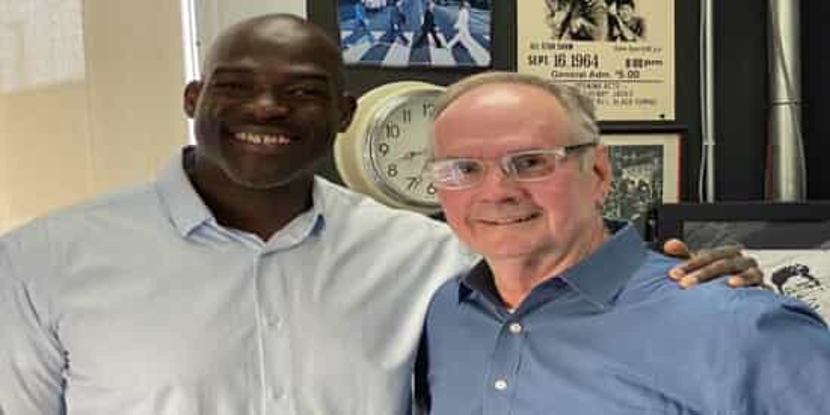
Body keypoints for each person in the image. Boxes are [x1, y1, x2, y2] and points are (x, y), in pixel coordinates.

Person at [0, 14, 760, 415]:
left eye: (301, 91)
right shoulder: (44, 261)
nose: (267, 108)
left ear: (342, 113)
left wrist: (692, 283)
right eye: (235, 86)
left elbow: (564, 301)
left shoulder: (432, 256)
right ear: (194, 99)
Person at [416, 72, 830, 414]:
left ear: (598, 172)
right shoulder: (446, 314)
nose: (497, 192)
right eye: (463, 169)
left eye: (530, 162)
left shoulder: (739, 326)